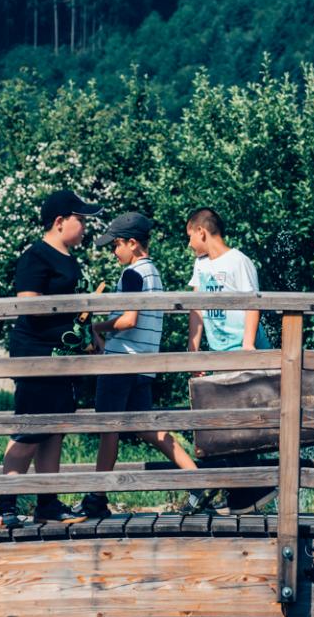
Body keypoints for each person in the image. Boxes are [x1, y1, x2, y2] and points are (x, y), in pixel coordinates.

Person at [73, 212, 200, 520]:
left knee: (108, 430)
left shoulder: (132, 274)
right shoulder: (153, 273)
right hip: (142, 363)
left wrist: (97, 328)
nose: (114, 252)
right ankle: (199, 480)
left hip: (121, 365)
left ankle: (96, 497)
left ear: (132, 243)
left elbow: (129, 320)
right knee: (149, 429)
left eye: (116, 245)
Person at [0, 189, 102, 529]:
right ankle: (5, 503)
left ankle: (47, 502)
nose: (84, 227)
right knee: (30, 427)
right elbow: (30, 304)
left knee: (54, 429)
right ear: (59, 222)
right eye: (80, 220)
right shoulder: (36, 257)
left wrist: (87, 331)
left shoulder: (68, 258)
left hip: (61, 356)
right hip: (37, 354)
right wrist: (74, 321)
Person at [186, 207, 275, 513]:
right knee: (222, 422)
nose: (189, 245)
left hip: (240, 346)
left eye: (189, 237)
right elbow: (195, 307)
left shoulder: (239, 261)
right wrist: (194, 347)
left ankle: (250, 490)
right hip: (218, 349)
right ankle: (241, 491)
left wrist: (248, 345)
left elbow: (253, 302)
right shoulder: (200, 265)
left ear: (202, 231)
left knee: (244, 422)